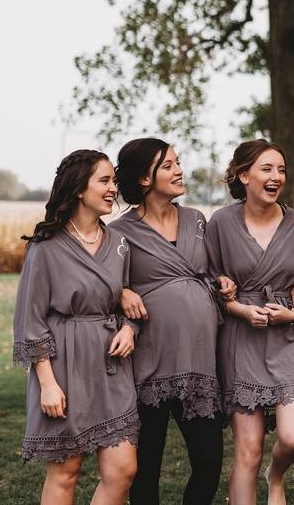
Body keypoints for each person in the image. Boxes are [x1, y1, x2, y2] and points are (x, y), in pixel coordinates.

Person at [14, 149, 139, 505]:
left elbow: (127, 300)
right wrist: (48, 384)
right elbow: (31, 320)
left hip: (112, 367)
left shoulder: (119, 244)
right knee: (66, 472)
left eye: (113, 180)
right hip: (63, 366)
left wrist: (129, 328)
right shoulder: (45, 246)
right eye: (105, 180)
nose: (113, 188)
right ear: (79, 188)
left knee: (123, 469)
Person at [205, 139, 294, 505]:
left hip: (290, 336)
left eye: (282, 170)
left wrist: (293, 306)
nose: (277, 177)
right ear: (244, 176)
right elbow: (209, 282)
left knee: (293, 438)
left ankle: (277, 475)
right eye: (267, 169)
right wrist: (239, 308)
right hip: (242, 339)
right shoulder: (221, 223)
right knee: (248, 450)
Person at [110, 138, 227, 504]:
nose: (179, 171)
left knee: (209, 460)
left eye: (178, 163)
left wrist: (219, 281)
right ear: (144, 179)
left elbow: (208, 270)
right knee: (146, 467)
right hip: (149, 362)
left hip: (199, 361)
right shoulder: (119, 232)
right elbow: (98, 283)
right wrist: (120, 291)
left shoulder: (196, 220)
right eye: (168, 166)